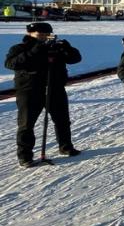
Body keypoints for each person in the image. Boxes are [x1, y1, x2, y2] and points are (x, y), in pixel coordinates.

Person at [5, 22, 82, 166]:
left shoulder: (56, 47)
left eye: (47, 35)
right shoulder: (20, 48)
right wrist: (36, 49)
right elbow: (11, 64)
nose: (44, 38)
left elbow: (75, 59)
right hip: (29, 90)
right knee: (26, 124)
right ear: (30, 34)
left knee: (62, 120)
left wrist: (67, 48)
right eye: (40, 35)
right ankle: (25, 156)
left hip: (55, 88)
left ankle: (66, 147)